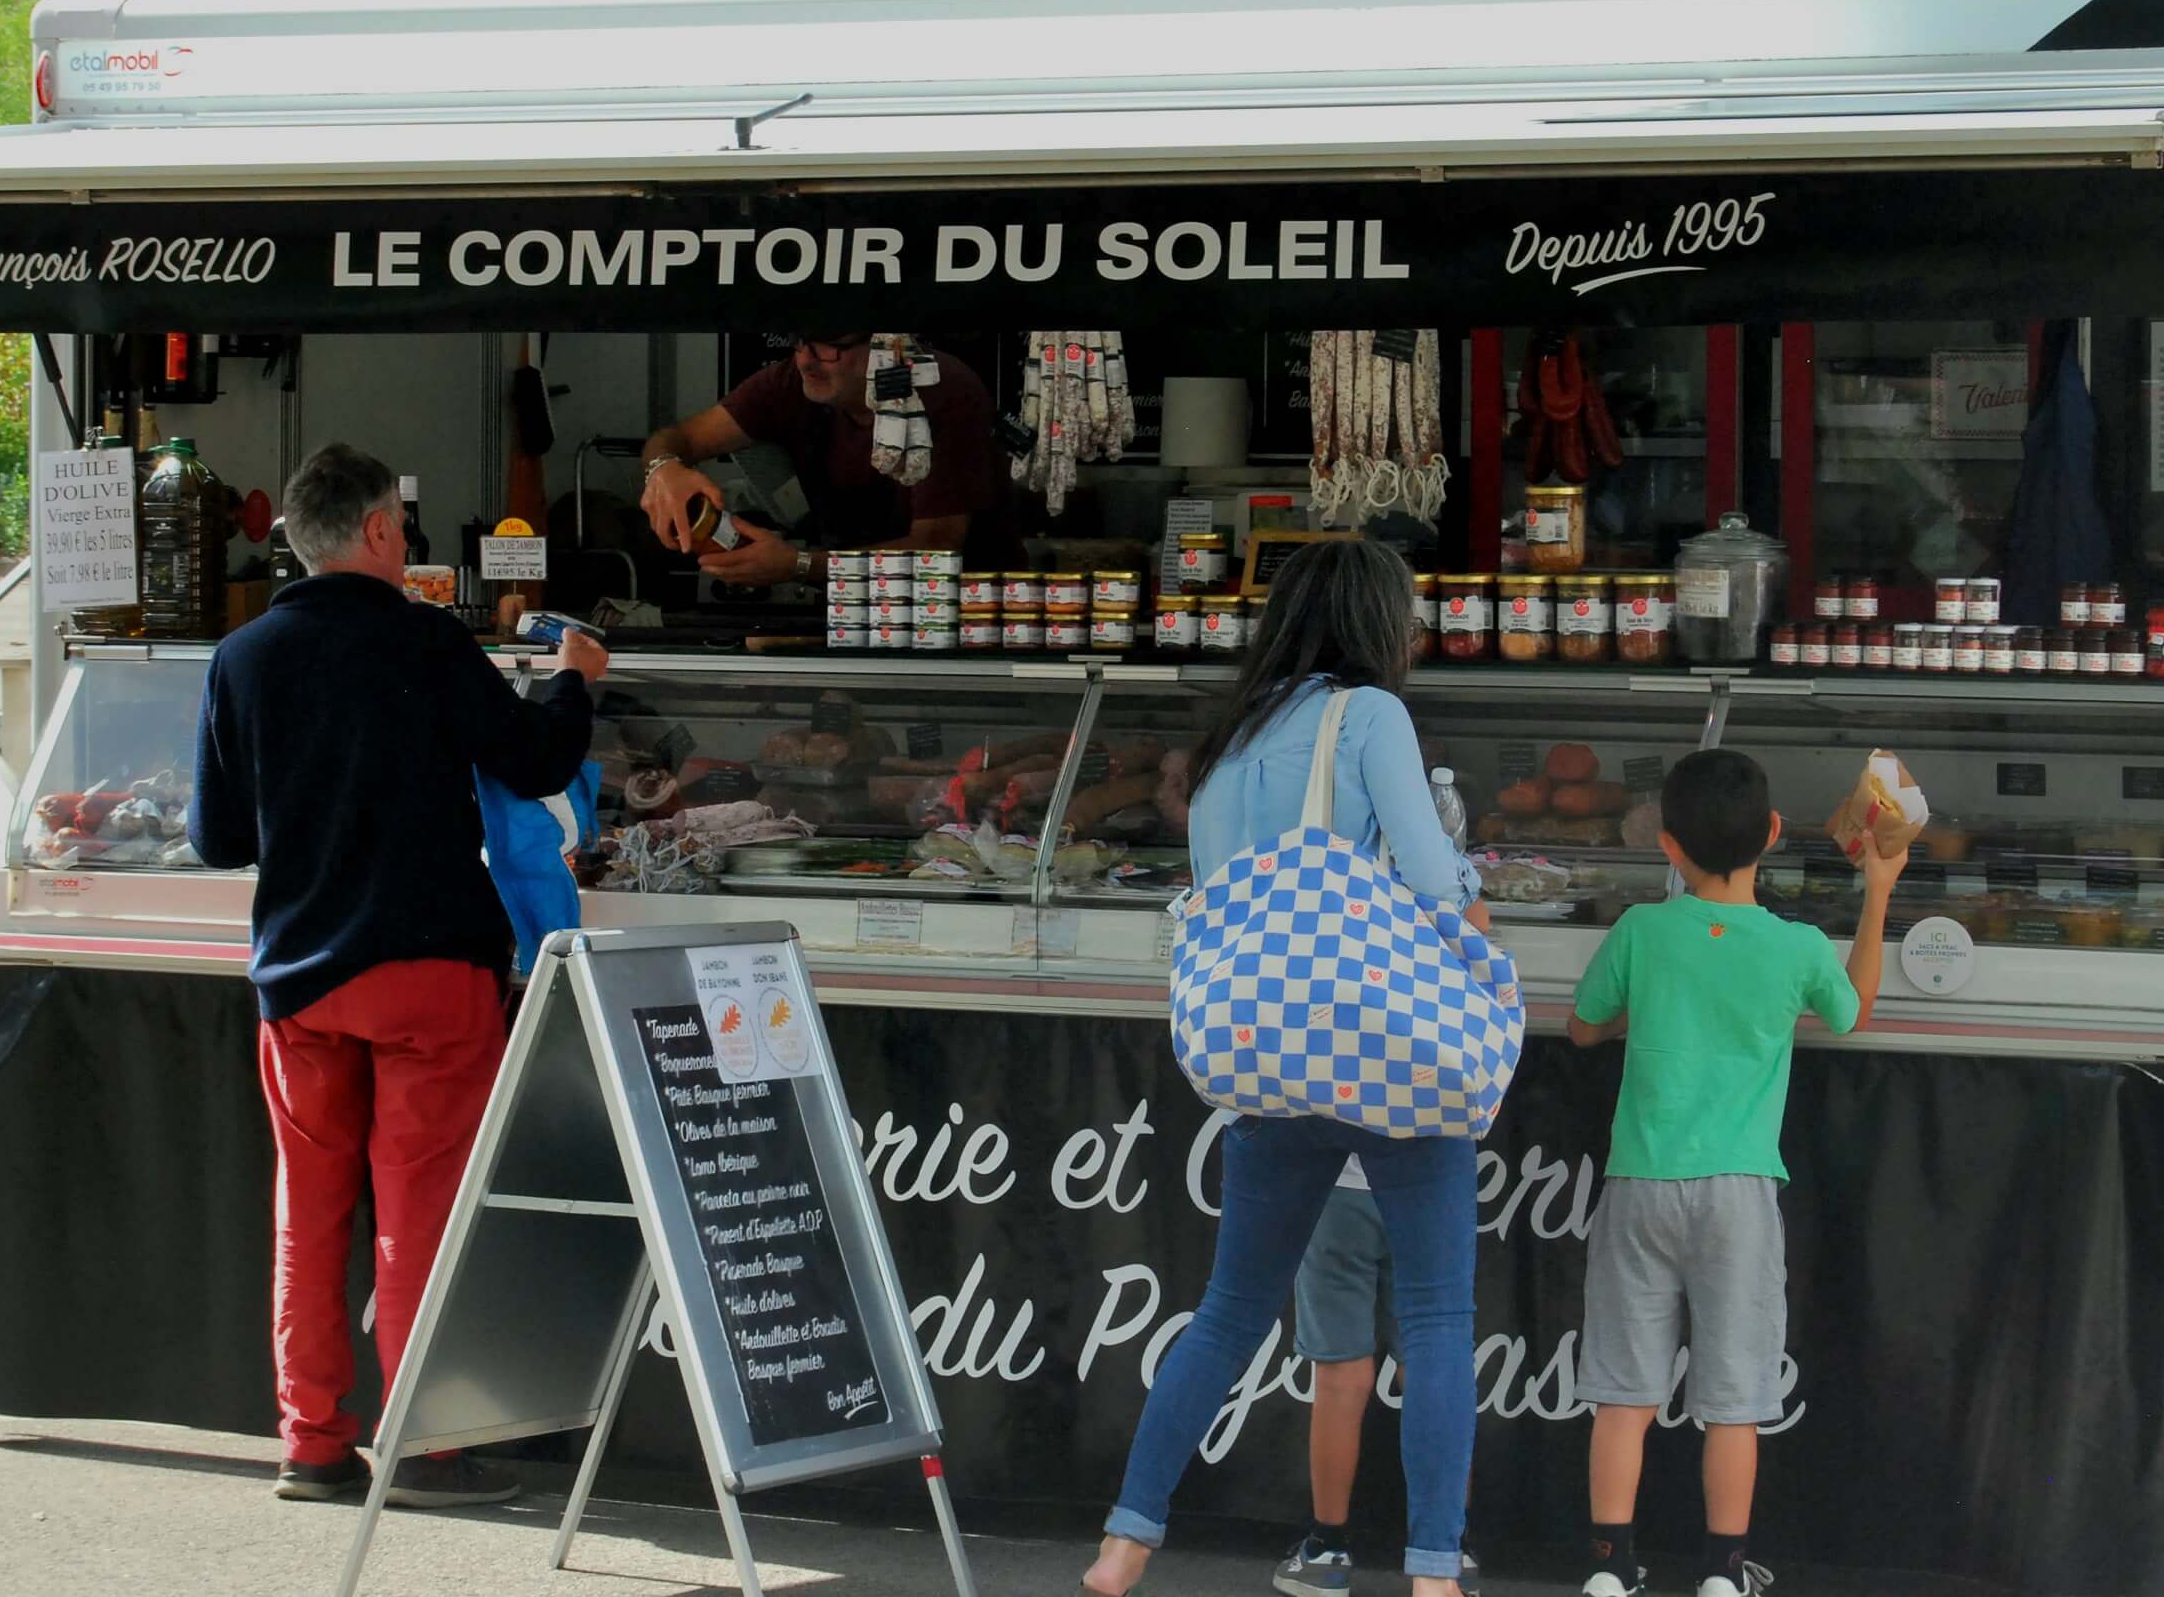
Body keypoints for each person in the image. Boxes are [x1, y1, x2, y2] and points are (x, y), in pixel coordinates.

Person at [188, 443, 607, 1508]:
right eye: (403, 527)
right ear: (379, 531)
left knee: (310, 1214)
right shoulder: (428, 641)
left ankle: (313, 1446)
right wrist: (573, 684)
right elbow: (536, 763)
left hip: (300, 978)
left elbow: (215, 837)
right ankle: (425, 1445)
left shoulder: (239, 658)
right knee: (414, 1212)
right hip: (429, 972)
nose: (407, 543)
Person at [1081, 540, 1490, 1597]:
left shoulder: (1231, 739)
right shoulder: (1371, 719)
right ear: (1372, 621)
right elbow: (1436, 889)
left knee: (1226, 1313)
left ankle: (1126, 1540)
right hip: (1386, 1053)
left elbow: (1229, 898)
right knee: (1439, 1319)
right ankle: (1435, 1571)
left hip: (1268, 1064)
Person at [1566, 748, 1904, 1597]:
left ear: (1668, 847)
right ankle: (1721, 1573)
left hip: (1641, 1182)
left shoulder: (1641, 930)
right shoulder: (1791, 947)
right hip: (1742, 1195)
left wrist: (1639, 1015)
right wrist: (1879, 895)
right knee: (1734, 1399)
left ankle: (1611, 1569)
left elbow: (1581, 1028)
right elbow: (1854, 1013)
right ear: (1776, 836)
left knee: (1624, 1394)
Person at [638, 334, 1014, 583]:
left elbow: (933, 551)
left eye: (829, 347)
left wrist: (799, 565)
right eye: (800, 343)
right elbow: (677, 438)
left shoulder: (945, 393)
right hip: (842, 606)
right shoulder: (789, 381)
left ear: (885, 344)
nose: (806, 361)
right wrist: (665, 469)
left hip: (960, 613)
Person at [1273, 1179, 1483, 1597]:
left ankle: (1327, 1552)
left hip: (1338, 1180)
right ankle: (1450, 1555)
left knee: (1341, 1378)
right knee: (1434, 1368)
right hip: (1430, 1182)